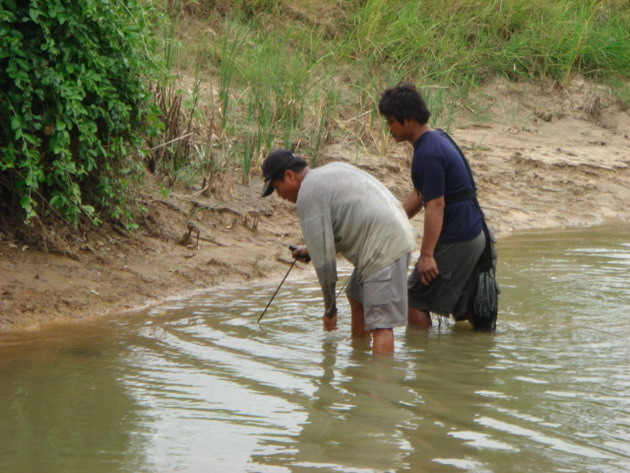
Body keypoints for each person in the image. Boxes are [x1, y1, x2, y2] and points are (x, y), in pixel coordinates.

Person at [260, 149, 415, 353]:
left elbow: (325, 267)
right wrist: (311, 250)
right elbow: (343, 221)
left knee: (381, 324)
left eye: (276, 188)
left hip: (384, 247)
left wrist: (330, 310)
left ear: (290, 175)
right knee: (355, 295)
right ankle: (359, 361)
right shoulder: (327, 173)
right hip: (393, 236)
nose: (280, 196)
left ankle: (379, 382)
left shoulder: (308, 193)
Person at [378, 82, 488, 329]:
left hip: (458, 238)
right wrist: (394, 219)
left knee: (414, 300)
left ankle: (424, 363)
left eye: (391, 122)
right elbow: (422, 193)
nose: (389, 129)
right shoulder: (436, 138)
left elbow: (436, 205)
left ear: (408, 120)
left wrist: (427, 255)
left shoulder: (427, 154)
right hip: (472, 233)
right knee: (466, 308)